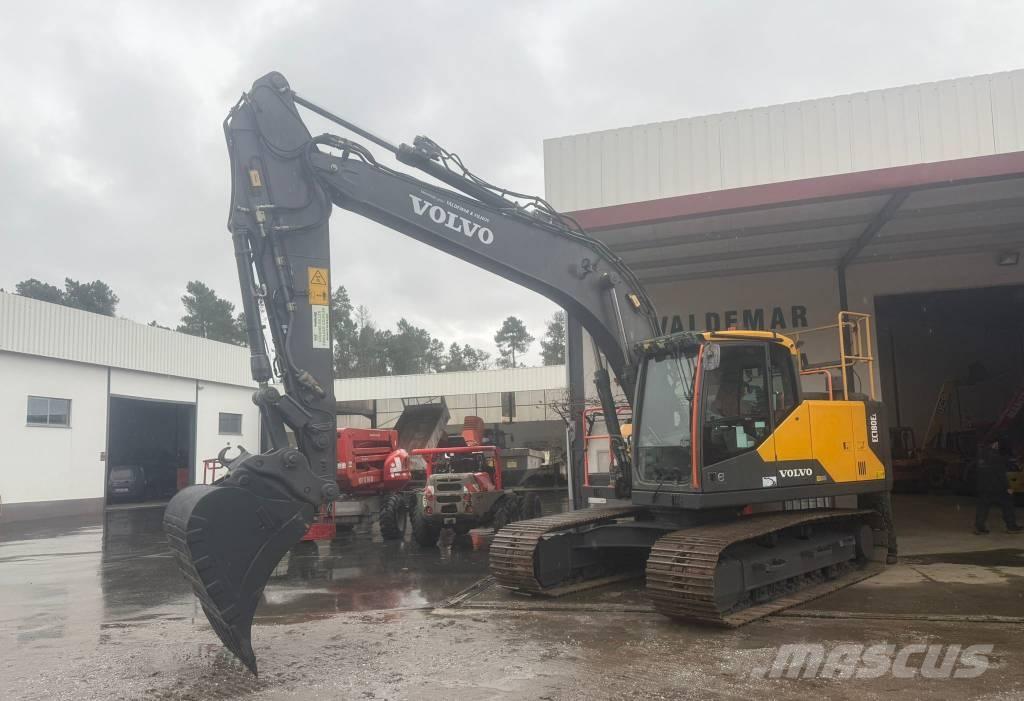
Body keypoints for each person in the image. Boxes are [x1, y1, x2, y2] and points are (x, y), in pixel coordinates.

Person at [974, 435, 1022, 535]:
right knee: (1008, 505)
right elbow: (1001, 473)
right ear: (995, 444)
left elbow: (978, 471)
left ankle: (979, 527)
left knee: (983, 507)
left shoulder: (981, 455)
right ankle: (1011, 526)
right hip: (998, 487)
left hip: (983, 486)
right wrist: (1009, 487)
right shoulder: (997, 456)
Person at [859, 490, 898, 564]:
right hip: (862, 485)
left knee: (885, 516)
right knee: (864, 517)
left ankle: (892, 551)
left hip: (879, 486)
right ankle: (865, 550)